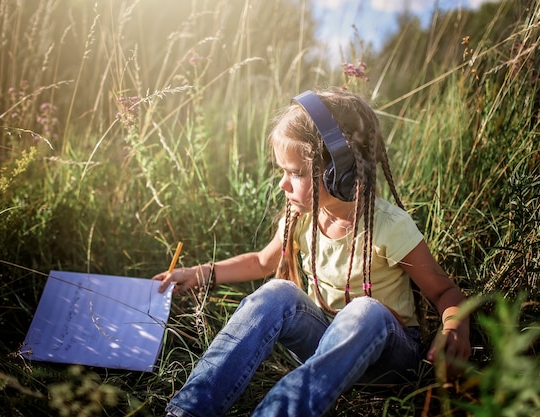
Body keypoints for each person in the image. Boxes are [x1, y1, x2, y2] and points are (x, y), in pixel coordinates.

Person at [153, 88, 471, 417]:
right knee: (277, 291)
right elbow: (263, 262)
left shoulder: (389, 226)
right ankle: (187, 410)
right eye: (282, 171)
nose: (283, 184)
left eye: (296, 173)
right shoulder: (302, 217)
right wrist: (200, 273)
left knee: (365, 311)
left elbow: (445, 291)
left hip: (387, 359)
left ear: (341, 173)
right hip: (323, 344)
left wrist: (454, 327)